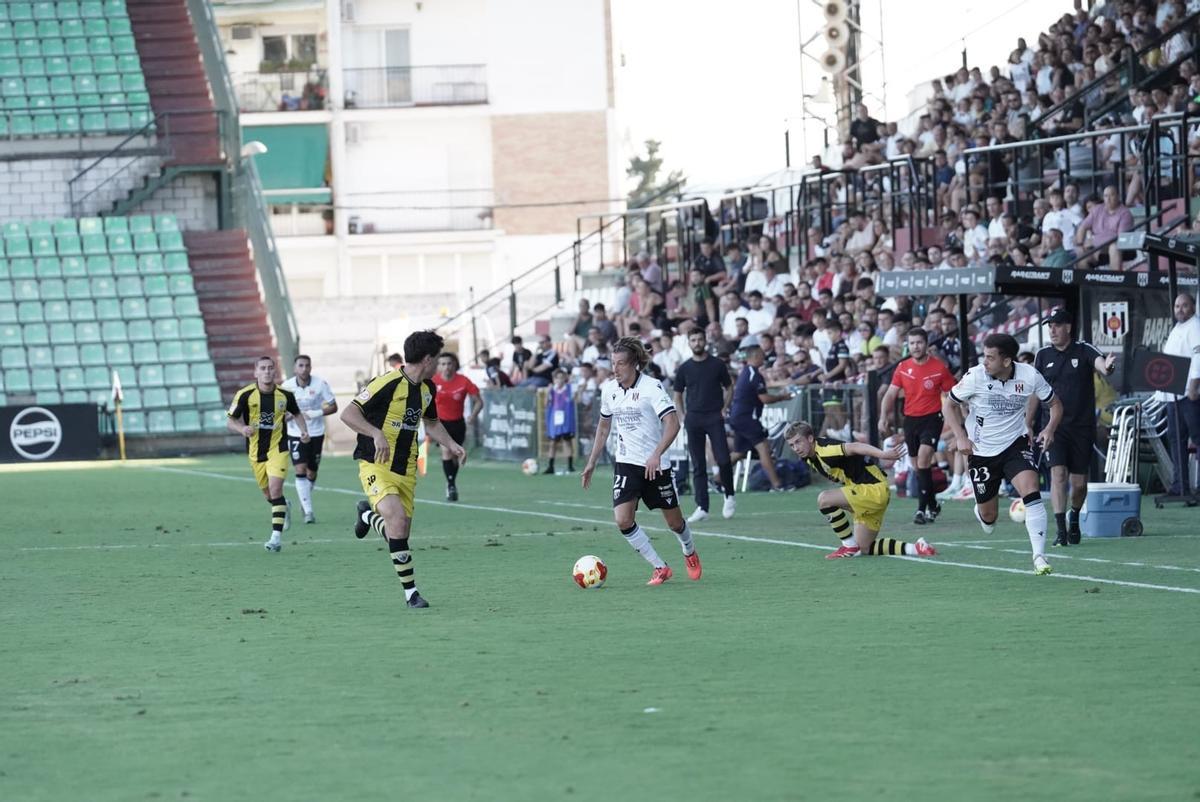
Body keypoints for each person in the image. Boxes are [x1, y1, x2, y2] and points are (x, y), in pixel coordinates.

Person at [341, 330, 467, 609]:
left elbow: (432, 423)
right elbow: (348, 413)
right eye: (436, 360)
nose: (438, 365)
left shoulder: (427, 389)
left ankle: (366, 514)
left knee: (399, 533)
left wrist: (452, 444)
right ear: (427, 359)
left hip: (406, 467)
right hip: (375, 462)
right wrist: (375, 433)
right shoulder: (386, 382)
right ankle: (411, 594)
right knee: (396, 521)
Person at [580, 337, 702, 585]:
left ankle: (689, 551)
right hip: (626, 462)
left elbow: (673, 423)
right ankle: (660, 567)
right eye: (613, 363)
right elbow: (604, 428)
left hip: (656, 466)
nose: (615, 369)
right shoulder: (609, 389)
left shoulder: (652, 387)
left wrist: (656, 454)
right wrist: (591, 462)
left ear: (634, 363)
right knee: (623, 519)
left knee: (675, 523)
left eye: (621, 364)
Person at [943, 333, 1063, 576]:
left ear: (1007, 361)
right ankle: (982, 512)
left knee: (1031, 490)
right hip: (981, 450)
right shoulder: (975, 376)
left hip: (1015, 444)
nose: (984, 362)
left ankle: (1039, 556)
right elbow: (949, 404)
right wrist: (960, 436)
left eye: (989, 357)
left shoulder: (1029, 376)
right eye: (983, 356)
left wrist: (1049, 428)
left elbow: (1056, 405)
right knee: (989, 519)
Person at [784, 421, 937, 560]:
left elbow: (855, 447)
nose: (796, 448)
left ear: (810, 439)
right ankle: (916, 548)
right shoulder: (808, 457)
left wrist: (883, 455)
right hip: (867, 490)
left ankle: (848, 546)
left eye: (798, 442)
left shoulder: (825, 449)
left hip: (872, 489)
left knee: (824, 499)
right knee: (865, 547)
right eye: (792, 445)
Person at [1034, 308, 1117, 546]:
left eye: (1057, 325)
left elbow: (1102, 366)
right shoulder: (1042, 355)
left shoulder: (1084, 349)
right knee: (1058, 474)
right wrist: (1028, 423)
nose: (1052, 330)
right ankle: (1061, 531)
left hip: (1082, 426)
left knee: (1079, 484)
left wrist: (1108, 366)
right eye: (1049, 326)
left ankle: (1074, 518)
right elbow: (1034, 392)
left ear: (1068, 327)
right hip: (1053, 427)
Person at [226, 356, 308, 552]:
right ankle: (283, 505)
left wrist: (304, 431)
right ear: (256, 372)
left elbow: (296, 414)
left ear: (275, 371)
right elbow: (230, 421)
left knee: (275, 489)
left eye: (271, 368)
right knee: (269, 495)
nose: (267, 371)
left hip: (278, 448)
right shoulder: (245, 395)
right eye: (263, 368)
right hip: (255, 452)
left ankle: (275, 538)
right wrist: (242, 429)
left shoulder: (285, 395)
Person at [879, 328, 956, 525]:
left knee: (923, 459)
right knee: (918, 466)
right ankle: (933, 504)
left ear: (926, 344)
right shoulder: (903, 367)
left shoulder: (939, 368)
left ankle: (921, 510)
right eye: (912, 343)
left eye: (919, 342)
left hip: (932, 418)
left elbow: (953, 395)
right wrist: (883, 416)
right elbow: (890, 394)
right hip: (910, 421)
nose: (915, 346)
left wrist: (959, 423)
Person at [672, 327, 736, 522]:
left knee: (723, 459)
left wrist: (724, 408)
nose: (697, 343)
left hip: (714, 417)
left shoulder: (717, 364)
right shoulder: (684, 368)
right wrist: (682, 416)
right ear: (689, 343)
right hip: (694, 418)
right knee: (698, 463)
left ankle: (729, 495)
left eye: (700, 339)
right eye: (693, 340)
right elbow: (677, 394)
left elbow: (729, 387)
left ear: (705, 340)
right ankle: (702, 507)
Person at [280, 354, 337, 524]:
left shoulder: (320, 384)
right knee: (300, 469)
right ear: (295, 368)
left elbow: (334, 406)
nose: (304, 369)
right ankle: (308, 511)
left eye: (307, 365)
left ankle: (304, 500)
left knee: (312, 471)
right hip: (295, 433)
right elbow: (280, 412)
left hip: (316, 432)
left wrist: (316, 413)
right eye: (301, 365)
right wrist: (288, 416)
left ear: (310, 368)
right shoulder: (287, 386)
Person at [1155, 293, 1200, 498]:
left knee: (1198, 438)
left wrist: (1194, 386)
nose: (1180, 309)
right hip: (1172, 394)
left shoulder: (1195, 326)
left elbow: (1198, 357)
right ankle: (1180, 486)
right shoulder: (1177, 328)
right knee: (1175, 439)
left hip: (1189, 394)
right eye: (1177, 306)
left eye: (1184, 305)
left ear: (1192, 307)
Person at [729, 345, 790, 491]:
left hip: (738, 417)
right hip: (747, 418)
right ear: (755, 356)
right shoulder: (754, 374)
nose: (764, 357)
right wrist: (783, 397)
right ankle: (777, 485)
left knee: (739, 452)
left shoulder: (746, 372)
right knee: (764, 448)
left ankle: (716, 479)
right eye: (762, 354)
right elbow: (764, 398)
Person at [430, 352, 484, 502]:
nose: (446, 367)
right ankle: (451, 485)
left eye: (449, 363)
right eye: (443, 364)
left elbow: (479, 401)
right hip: (440, 424)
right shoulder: (433, 382)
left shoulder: (463, 381)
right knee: (446, 452)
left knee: (455, 456)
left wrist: (472, 416)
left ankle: (451, 480)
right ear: (438, 366)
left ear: (455, 365)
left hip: (458, 423)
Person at [543, 368, 577, 475]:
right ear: (554, 380)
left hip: (566, 420)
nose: (560, 380)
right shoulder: (552, 390)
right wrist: (547, 392)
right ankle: (550, 466)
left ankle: (570, 465)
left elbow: (576, 399)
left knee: (567, 442)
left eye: (562, 378)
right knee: (553, 443)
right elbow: (546, 404)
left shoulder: (569, 389)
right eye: (557, 378)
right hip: (555, 420)